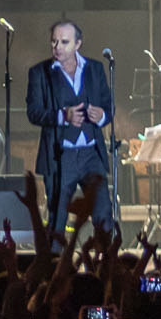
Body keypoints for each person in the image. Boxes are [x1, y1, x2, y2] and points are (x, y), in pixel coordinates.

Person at [25, 20, 115, 247]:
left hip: (91, 154)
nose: (57, 47)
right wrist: (62, 116)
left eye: (64, 42)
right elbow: (34, 112)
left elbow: (108, 105)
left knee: (103, 213)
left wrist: (102, 115)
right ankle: (55, 263)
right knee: (57, 219)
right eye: (54, 42)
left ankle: (107, 262)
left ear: (78, 44)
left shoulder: (95, 69)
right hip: (60, 156)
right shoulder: (40, 73)